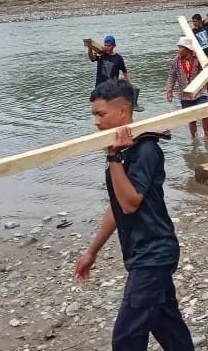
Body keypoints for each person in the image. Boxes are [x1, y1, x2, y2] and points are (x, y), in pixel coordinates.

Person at [73, 79, 195, 351]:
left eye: (101, 114)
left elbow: (130, 203)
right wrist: (92, 251)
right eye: (94, 114)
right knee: (169, 327)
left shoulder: (145, 150)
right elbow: (117, 207)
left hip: (154, 255)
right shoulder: (124, 151)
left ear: (123, 113)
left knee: (126, 339)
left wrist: (112, 158)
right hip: (143, 253)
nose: (96, 121)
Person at [166, 36, 208, 143]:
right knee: (191, 119)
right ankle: (194, 138)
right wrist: (169, 90)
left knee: (204, 114)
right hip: (184, 94)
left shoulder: (198, 58)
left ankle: (207, 135)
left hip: (200, 92)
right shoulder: (177, 60)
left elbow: (207, 71)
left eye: (181, 48)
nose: (179, 50)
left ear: (187, 49)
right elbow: (172, 75)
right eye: (179, 47)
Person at [87, 35, 143, 112]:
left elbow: (125, 72)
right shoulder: (101, 55)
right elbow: (92, 58)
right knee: (101, 110)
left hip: (112, 88)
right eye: (105, 45)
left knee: (111, 109)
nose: (107, 47)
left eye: (109, 46)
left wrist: (130, 84)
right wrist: (90, 47)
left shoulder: (118, 58)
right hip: (99, 88)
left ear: (114, 46)